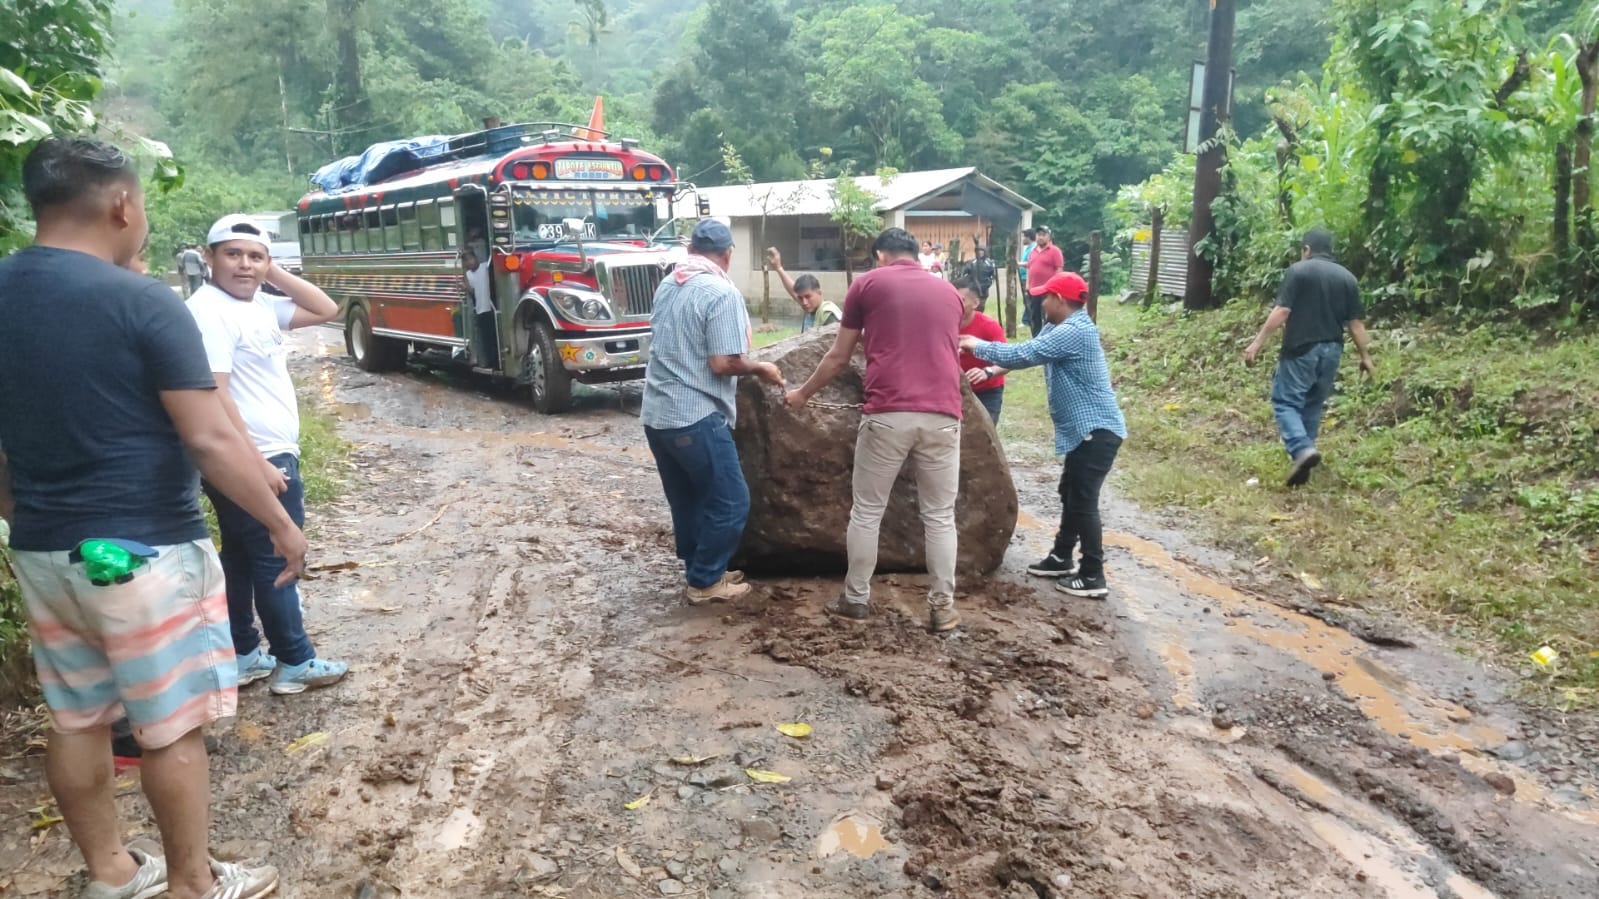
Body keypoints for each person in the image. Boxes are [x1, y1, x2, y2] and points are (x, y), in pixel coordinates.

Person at [0, 137, 300, 899]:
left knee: (76, 718)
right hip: (146, 552)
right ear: (121, 204)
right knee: (171, 726)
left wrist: (24, 514)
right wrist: (278, 520)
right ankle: (194, 884)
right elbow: (206, 436)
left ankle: (111, 873)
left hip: (42, 549)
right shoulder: (141, 301)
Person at [186, 213, 349, 696]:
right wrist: (254, 461)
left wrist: (269, 272)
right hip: (257, 457)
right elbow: (215, 394)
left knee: (241, 556)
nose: (245, 265)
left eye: (255, 256)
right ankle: (295, 661)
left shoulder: (255, 305)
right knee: (277, 556)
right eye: (233, 254)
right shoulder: (209, 311)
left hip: (263, 455)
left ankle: (242, 653)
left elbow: (326, 308)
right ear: (208, 257)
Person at [786, 228, 965, 633]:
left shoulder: (867, 284)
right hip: (943, 415)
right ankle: (942, 609)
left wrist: (802, 394)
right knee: (939, 516)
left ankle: (856, 599)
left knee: (868, 511)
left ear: (880, 255)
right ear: (915, 255)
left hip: (888, 413)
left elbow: (837, 357)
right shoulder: (949, 292)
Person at [642, 220, 784, 605]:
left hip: (657, 415)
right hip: (694, 414)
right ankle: (705, 582)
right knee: (731, 500)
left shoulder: (671, 283)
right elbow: (723, 363)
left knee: (689, 498)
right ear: (727, 254)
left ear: (691, 250)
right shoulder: (720, 291)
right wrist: (760, 368)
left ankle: (702, 568)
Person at [963, 271, 1126, 599]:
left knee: (1083, 502)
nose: (1040, 302)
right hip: (1085, 432)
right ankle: (1061, 556)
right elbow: (1032, 352)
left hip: (1096, 431)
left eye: (1045, 297)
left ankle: (1093, 574)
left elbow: (1021, 354)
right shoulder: (1058, 328)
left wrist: (975, 344)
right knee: (1070, 493)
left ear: (1060, 300)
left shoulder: (1076, 331)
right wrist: (992, 368)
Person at [1244, 228, 1373, 487]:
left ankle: (1302, 448)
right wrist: (1365, 356)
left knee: (1285, 402)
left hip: (1302, 348)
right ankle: (1304, 459)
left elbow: (1282, 311)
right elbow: (1356, 324)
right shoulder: (1348, 278)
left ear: (1307, 249)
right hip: (1332, 351)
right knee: (1313, 404)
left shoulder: (1299, 271)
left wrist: (1257, 342)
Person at [953, 276, 1008, 424]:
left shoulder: (989, 326)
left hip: (987, 391)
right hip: (952, 390)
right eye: (952, 298)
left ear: (976, 303)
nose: (955, 303)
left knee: (985, 436)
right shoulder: (942, 324)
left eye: (962, 300)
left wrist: (987, 372)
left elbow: (1008, 360)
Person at [765, 247, 842, 332]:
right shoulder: (811, 308)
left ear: (819, 293)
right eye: (800, 298)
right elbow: (794, 292)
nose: (804, 302)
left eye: (808, 297)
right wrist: (778, 268)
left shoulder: (828, 314)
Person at [462, 248, 499, 368]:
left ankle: (496, 360)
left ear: (476, 258)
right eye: (466, 261)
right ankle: (487, 361)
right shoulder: (468, 275)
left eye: (471, 259)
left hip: (491, 307)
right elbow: (472, 292)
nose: (470, 262)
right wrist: (466, 288)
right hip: (480, 309)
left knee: (494, 336)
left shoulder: (485, 267)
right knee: (485, 338)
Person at [1025, 226, 1064, 338]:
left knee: (1050, 314)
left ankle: (1050, 337)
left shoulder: (1055, 251)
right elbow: (1029, 268)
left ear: (1048, 236)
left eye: (1043, 235)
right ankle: (1036, 337)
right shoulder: (1032, 251)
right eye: (1038, 235)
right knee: (1034, 314)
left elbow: (1059, 269)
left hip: (1049, 289)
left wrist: (1057, 286)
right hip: (1034, 289)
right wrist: (1028, 284)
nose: (1040, 237)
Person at [1017, 228, 1036, 320]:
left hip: (1028, 277)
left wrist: (1018, 264)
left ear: (1029, 238)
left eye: (1024, 237)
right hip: (1024, 276)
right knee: (1027, 299)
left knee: (1028, 299)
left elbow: (1031, 263)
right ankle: (1027, 319)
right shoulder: (1029, 248)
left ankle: (1027, 320)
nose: (1023, 239)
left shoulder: (1033, 248)